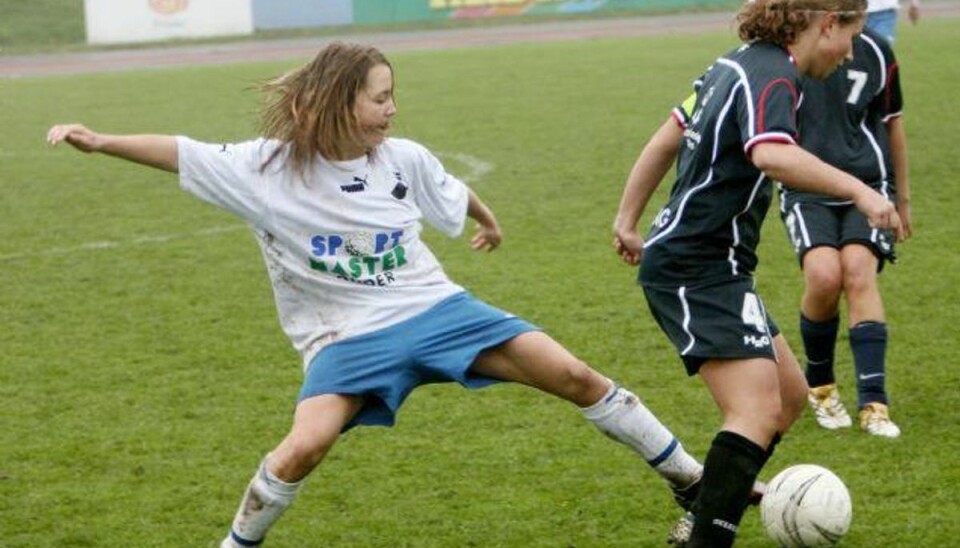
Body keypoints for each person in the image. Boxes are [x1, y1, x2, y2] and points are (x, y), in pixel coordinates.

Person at [48, 42, 707, 547]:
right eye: (379, 98)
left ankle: (694, 483)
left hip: (436, 310)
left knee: (573, 373)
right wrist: (100, 141)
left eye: (393, 95)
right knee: (302, 448)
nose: (391, 109)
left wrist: (486, 218)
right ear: (339, 103)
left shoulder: (402, 157)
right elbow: (181, 152)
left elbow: (448, 186)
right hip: (346, 338)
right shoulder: (264, 169)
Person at [611, 0, 902, 546]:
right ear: (826, 22)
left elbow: (666, 137)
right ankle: (706, 536)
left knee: (789, 399)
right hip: (695, 265)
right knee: (756, 407)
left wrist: (628, 219)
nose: (847, 56)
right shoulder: (774, 76)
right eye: (850, 37)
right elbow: (772, 154)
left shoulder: (734, 64)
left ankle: (705, 514)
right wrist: (862, 190)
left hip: (717, 264)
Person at [779, 24, 912, 438]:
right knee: (823, 276)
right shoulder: (786, 49)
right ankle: (820, 387)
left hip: (870, 184)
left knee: (857, 271)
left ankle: (874, 402)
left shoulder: (874, 47)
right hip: (807, 186)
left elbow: (893, 124)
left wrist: (903, 200)